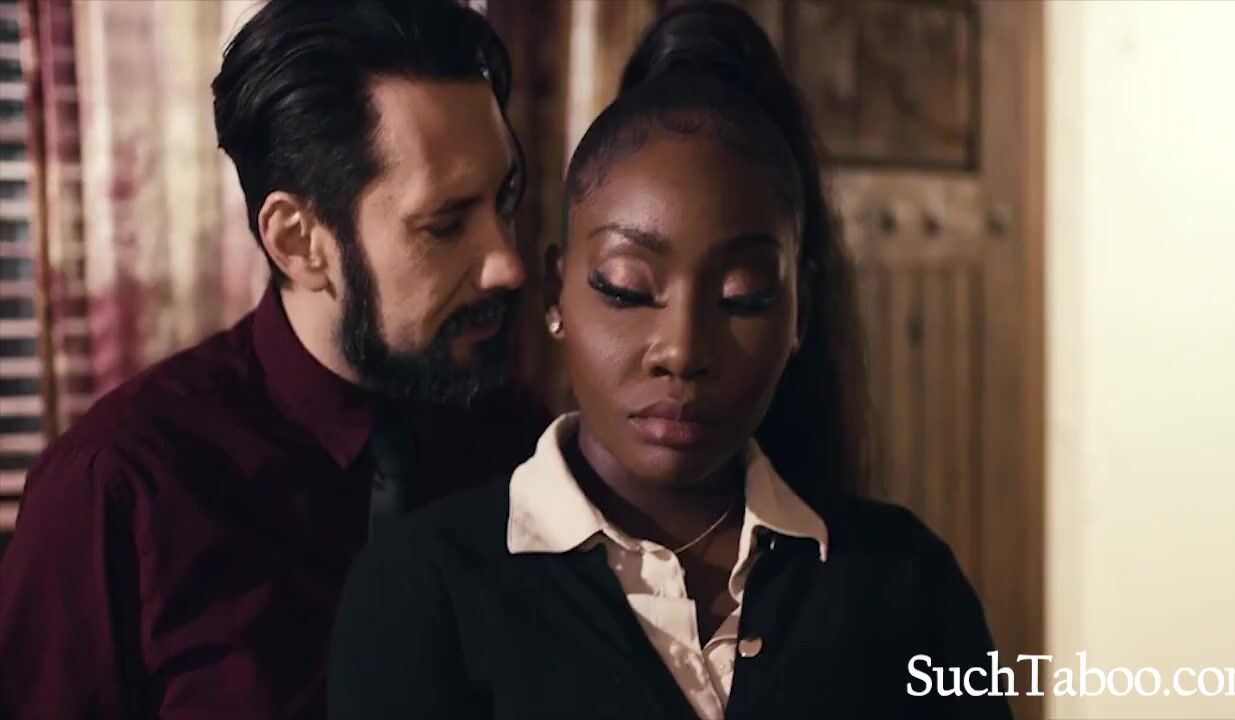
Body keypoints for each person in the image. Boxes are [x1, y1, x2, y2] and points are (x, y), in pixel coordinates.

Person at [326, 3, 1012, 719]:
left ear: (800, 312)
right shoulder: (425, 590)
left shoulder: (907, 582)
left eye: (742, 297)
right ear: (557, 291)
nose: (682, 351)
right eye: (627, 290)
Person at [0, 1, 547, 717]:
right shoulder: (119, 488)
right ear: (297, 240)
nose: (507, 263)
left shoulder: (518, 442)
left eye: (505, 200)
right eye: (445, 226)